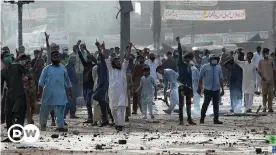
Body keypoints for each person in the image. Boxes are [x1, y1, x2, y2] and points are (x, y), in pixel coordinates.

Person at [38, 44, 72, 132]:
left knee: (60, 110)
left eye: (57, 56)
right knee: (44, 110)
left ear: (59, 58)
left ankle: (60, 127)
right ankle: (43, 124)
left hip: (60, 93)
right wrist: (40, 92)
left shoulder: (63, 68)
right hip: (48, 93)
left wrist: (70, 90)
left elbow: (67, 81)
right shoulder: (47, 69)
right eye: (54, 56)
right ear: (51, 58)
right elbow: (41, 82)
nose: (56, 58)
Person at [103, 41, 132, 131]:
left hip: (122, 93)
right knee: (113, 110)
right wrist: (103, 49)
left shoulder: (123, 70)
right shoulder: (111, 70)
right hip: (112, 93)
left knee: (121, 108)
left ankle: (121, 125)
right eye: (117, 61)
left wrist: (130, 48)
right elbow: (106, 58)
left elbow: (127, 59)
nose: (119, 62)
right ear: (113, 63)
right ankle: (117, 123)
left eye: (119, 61)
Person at [1, 53, 29, 142]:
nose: (8, 57)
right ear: (2, 60)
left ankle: (16, 135)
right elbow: (1, 86)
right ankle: (10, 136)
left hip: (20, 94)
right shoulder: (2, 71)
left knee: (20, 116)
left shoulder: (17, 66)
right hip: (9, 96)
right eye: (5, 56)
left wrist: (27, 77)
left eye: (8, 56)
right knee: (8, 116)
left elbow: (28, 73)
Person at [198, 54, 224, 124]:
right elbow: (200, 78)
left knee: (216, 105)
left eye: (216, 59)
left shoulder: (219, 67)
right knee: (205, 104)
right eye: (213, 59)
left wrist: (223, 89)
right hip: (207, 89)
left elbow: (221, 78)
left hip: (216, 89)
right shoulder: (204, 67)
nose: (215, 60)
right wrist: (199, 88)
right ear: (209, 60)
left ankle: (216, 119)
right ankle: (202, 118)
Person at [175, 37, 196, 125]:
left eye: (189, 58)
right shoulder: (181, 64)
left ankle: (189, 119)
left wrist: (192, 90)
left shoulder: (190, 67)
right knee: (181, 103)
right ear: (184, 59)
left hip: (188, 88)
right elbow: (180, 53)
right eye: (187, 58)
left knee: (188, 104)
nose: (188, 60)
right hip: (181, 86)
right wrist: (179, 43)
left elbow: (191, 79)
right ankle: (181, 120)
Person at [76, 44, 97, 123]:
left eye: (89, 58)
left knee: (88, 101)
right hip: (84, 86)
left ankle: (91, 117)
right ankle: (90, 117)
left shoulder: (94, 66)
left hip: (90, 86)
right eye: (87, 58)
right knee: (87, 102)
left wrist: (87, 50)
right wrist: (78, 49)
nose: (88, 59)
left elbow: (95, 60)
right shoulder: (85, 65)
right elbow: (81, 57)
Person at [258, 48, 275, 112]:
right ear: (263, 53)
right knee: (264, 94)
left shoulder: (271, 60)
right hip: (264, 80)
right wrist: (262, 77)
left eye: (267, 53)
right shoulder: (260, 61)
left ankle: (270, 107)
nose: (266, 54)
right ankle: (264, 107)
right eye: (265, 53)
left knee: (270, 94)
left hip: (271, 80)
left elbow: (274, 70)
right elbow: (259, 71)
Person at [92, 57, 102, 126]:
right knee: (98, 105)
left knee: (97, 105)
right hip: (98, 87)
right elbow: (94, 77)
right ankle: (97, 120)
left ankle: (96, 120)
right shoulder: (96, 68)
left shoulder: (95, 67)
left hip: (98, 86)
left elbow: (93, 77)